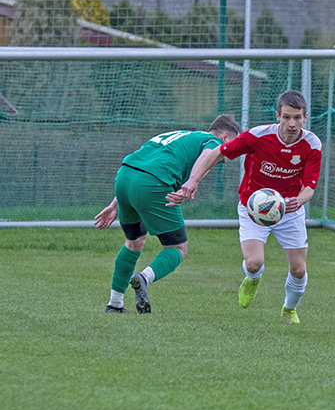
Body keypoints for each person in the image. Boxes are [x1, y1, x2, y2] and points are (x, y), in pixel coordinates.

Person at [167, 90, 322, 324]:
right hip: (253, 208)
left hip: (289, 210)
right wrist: (193, 180)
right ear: (277, 116)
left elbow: (310, 187)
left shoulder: (311, 143)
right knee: (254, 262)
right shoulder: (258, 136)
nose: (292, 123)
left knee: (299, 269)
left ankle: (289, 310)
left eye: (297, 118)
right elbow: (219, 151)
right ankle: (252, 279)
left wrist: (299, 200)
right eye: (287, 117)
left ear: (305, 117)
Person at [94, 114, 242, 313]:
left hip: (125, 177)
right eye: (234, 144)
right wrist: (192, 182)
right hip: (152, 184)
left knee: (134, 243)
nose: (232, 152)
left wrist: (116, 203)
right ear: (224, 137)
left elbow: (144, 162)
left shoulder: (179, 135)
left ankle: (115, 304)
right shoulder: (212, 142)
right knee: (178, 248)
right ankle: (144, 278)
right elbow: (208, 155)